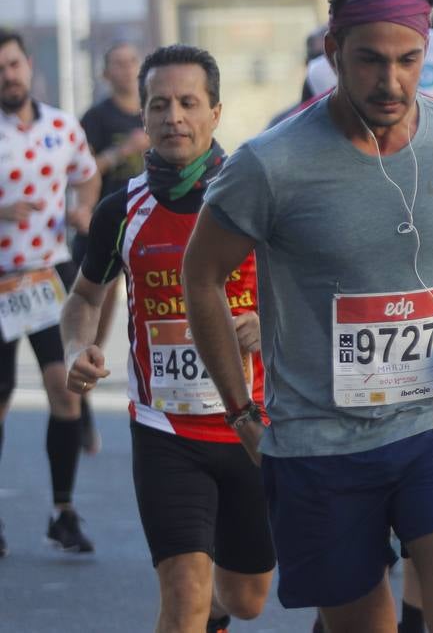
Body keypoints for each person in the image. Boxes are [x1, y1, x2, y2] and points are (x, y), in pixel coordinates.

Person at [182, 0, 433, 633]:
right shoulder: (271, 163)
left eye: (408, 60)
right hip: (317, 444)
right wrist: (241, 409)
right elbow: (202, 275)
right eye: (369, 61)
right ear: (333, 52)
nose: (391, 82)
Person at [63, 44, 274, 633]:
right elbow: (83, 298)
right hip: (165, 430)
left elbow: (314, 291)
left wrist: (271, 324)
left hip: (254, 425)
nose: (173, 117)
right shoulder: (120, 210)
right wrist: (79, 349)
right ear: (144, 116)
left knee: (246, 597)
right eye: (160, 104)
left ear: (215, 113)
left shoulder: (258, 201)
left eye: (188, 102)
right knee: (183, 595)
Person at [0, 28, 101, 558]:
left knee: (65, 390)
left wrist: (82, 210)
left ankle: (63, 511)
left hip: (44, 276)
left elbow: (87, 175)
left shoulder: (62, 126)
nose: (8, 75)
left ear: (28, 65)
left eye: (13, 64)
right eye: (0, 69)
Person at [75, 41, 150, 452]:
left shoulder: (153, 107)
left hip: (150, 225)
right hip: (109, 225)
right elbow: (84, 171)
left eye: (131, 61)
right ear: (105, 74)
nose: (125, 70)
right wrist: (123, 150)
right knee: (96, 321)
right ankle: (82, 399)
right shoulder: (96, 117)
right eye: (117, 64)